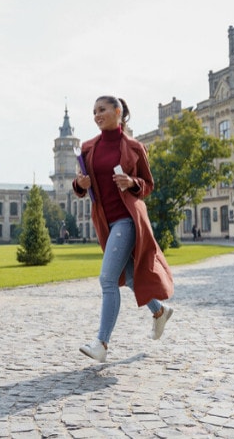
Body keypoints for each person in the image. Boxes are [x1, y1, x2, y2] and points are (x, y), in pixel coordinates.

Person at [73, 96, 175, 363]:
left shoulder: (134, 147)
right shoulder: (87, 148)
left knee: (108, 279)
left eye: (102, 110)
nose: (97, 115)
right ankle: (159, 311)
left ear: (118, 112)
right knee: (129, 277)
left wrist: (131, 181)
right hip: (105, 223)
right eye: (94, 111)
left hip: (127, 220)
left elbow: (148, 185)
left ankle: (101, 343)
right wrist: (80, 184)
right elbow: (82, 185)